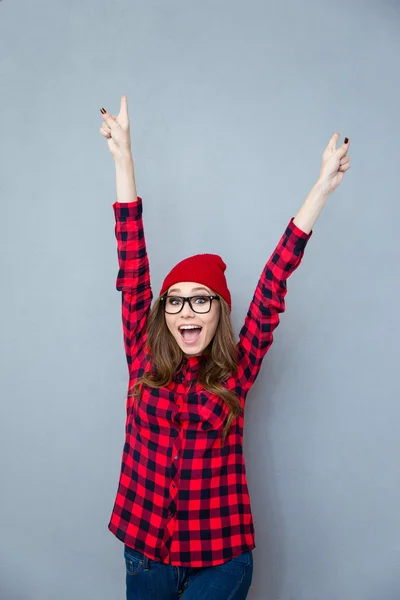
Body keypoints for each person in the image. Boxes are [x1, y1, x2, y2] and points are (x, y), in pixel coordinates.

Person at [99, 96, 351, 600]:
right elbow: (132, 261)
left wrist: (321, 188)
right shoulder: (142, 357)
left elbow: (275, 280)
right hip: (145, 554)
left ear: (220, 311)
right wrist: (123, 156)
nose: (187, 311)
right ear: (162, 311)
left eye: (201, 300)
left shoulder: (239, 366)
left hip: (220, 559)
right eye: (175, 301)